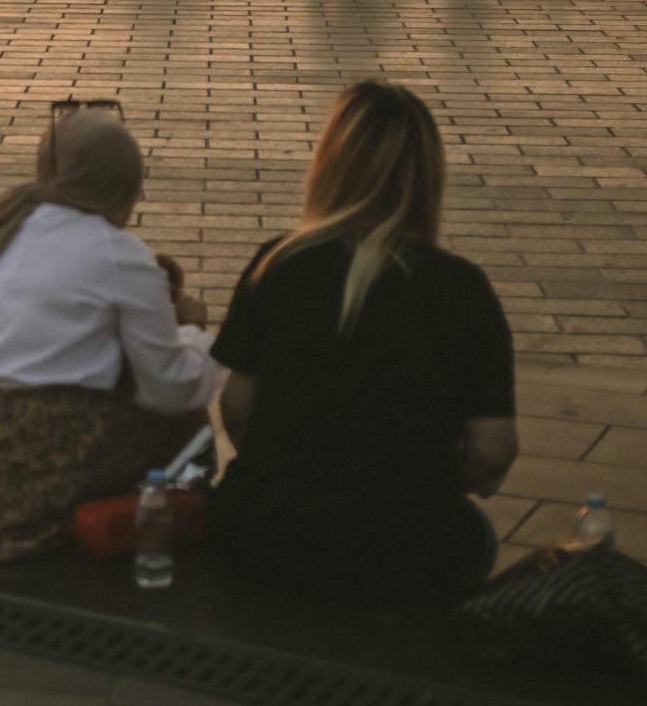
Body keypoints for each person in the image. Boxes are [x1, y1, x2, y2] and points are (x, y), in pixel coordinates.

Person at [209, 80, 517, 606]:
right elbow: (492, 452)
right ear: (426, 178)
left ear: (331, 165)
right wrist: (428, 483)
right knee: (473, 539)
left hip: (263, 536)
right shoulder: (461, 287)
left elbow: (235, 409)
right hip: (405, 550)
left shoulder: (275, 264)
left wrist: (294, 472)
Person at [0, 100, 218, 563]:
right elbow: (170, 386)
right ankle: (154, 518)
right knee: (190, 425)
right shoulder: (120, 254)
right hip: (36, 461)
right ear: (123, 184)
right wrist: (193, 331)